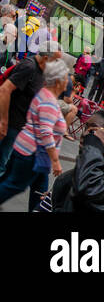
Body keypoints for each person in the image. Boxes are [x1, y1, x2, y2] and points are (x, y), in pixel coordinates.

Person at [0, 57, 68, 210]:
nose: (67, 82)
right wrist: (55, 160)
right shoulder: (49, 101)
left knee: (39, 187)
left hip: (32, 149)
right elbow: (45, 132)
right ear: (57, 81)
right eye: (65, 78)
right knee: (14, 185)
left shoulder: (43, 94)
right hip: (33, 151)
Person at [52, 109, 104, 212]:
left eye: (93, 130)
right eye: (85, 128)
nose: (84, 134)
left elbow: (87, 189)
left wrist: (94, 145)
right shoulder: (80, 172)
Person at [0, 41, 61, 174]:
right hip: (10, 124)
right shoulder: (29, 67)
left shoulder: (41, 70)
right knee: (2, 164)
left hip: (19, 125)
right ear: (46, 58)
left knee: (6, 165)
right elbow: (4, 90)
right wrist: (3, 122)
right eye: (55, 61)